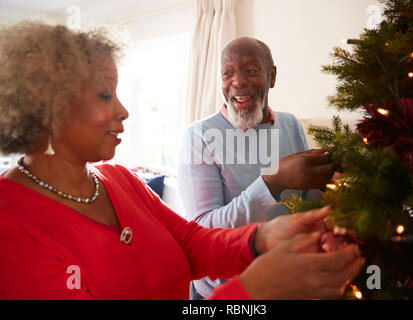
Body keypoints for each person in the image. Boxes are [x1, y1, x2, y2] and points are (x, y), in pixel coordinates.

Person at [0, 22, 364, 300]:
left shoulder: (118, 179)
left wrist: (264, 238)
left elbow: (191, 242)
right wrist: (254, 290)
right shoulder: (9, 223)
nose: (124, 111)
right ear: (50, 108)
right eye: (105, 94)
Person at [178, 36, 336, 299]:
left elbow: (308, 200)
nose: (237, 82)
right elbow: (203, 232)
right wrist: (273, 181)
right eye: (227, 73)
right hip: (228, 292)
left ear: (272, 76)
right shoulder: (199, 136)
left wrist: (330, 185)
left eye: (250, 71)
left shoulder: (290, 124)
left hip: (288, 282)